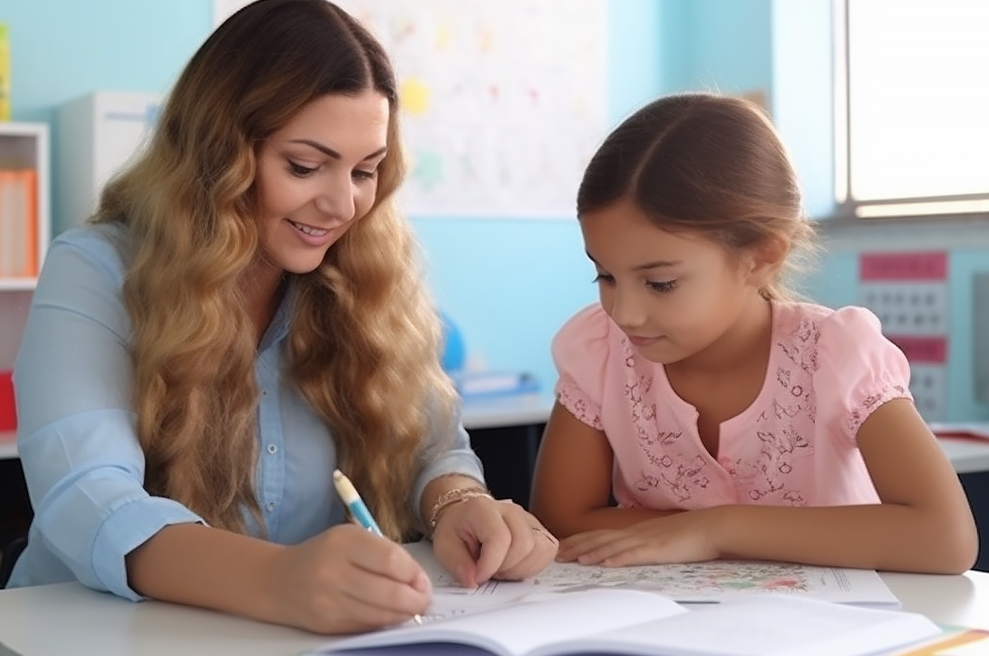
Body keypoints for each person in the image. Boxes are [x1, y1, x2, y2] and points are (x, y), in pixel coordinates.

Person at [8, 0, 556, 634]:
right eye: (304, 166)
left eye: (365, 171)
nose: (342, 203)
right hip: (84, 633)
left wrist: (457, 502)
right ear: (219, 154)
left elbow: (432, 451)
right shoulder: (98, 269)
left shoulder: (368, 278)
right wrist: (278, 578)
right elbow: (90, 499)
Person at [529, 93, 978, 575]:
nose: (625, 313)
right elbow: (559, 521)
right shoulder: (599, 353)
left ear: (760, 257)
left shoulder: (835, 354)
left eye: (661, 283)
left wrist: (716, 530)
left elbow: (945, 538)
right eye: (606, 277)